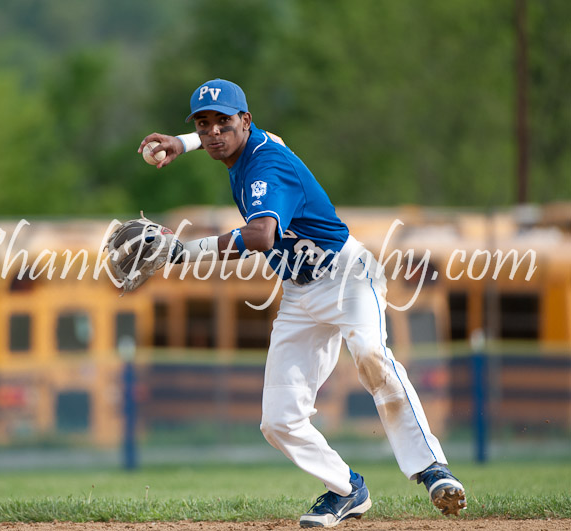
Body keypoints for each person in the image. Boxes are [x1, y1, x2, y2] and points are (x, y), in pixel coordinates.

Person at [138, 79, 466, 528]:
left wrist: (183, 252)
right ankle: (347, 490)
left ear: (246, 122)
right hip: (298, 292)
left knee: (371, 357)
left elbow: (261, 236)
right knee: (278, 421)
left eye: (223, 122)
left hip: (348, 277)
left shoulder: (266, 166)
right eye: (203, 123)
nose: (213, 131)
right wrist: (182, 141)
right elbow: (220, 136)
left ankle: (433, 470)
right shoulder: (247, 146)